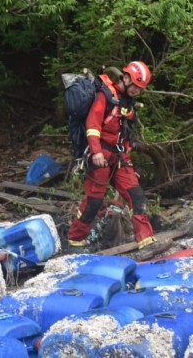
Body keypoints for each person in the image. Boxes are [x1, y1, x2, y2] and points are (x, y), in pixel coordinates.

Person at [66, 60, 170, 259]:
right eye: (136, 87)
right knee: (94, 202)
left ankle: (146, 242)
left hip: (120, 157)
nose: (137, 92)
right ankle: (75, 240)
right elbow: (93, 124)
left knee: (136, 196)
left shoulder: (129, 105)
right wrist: (95, 151)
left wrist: (128, 157)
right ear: (126, 78)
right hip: (100, 156)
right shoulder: (105, 96)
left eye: (141, 89)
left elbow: (126, 134)